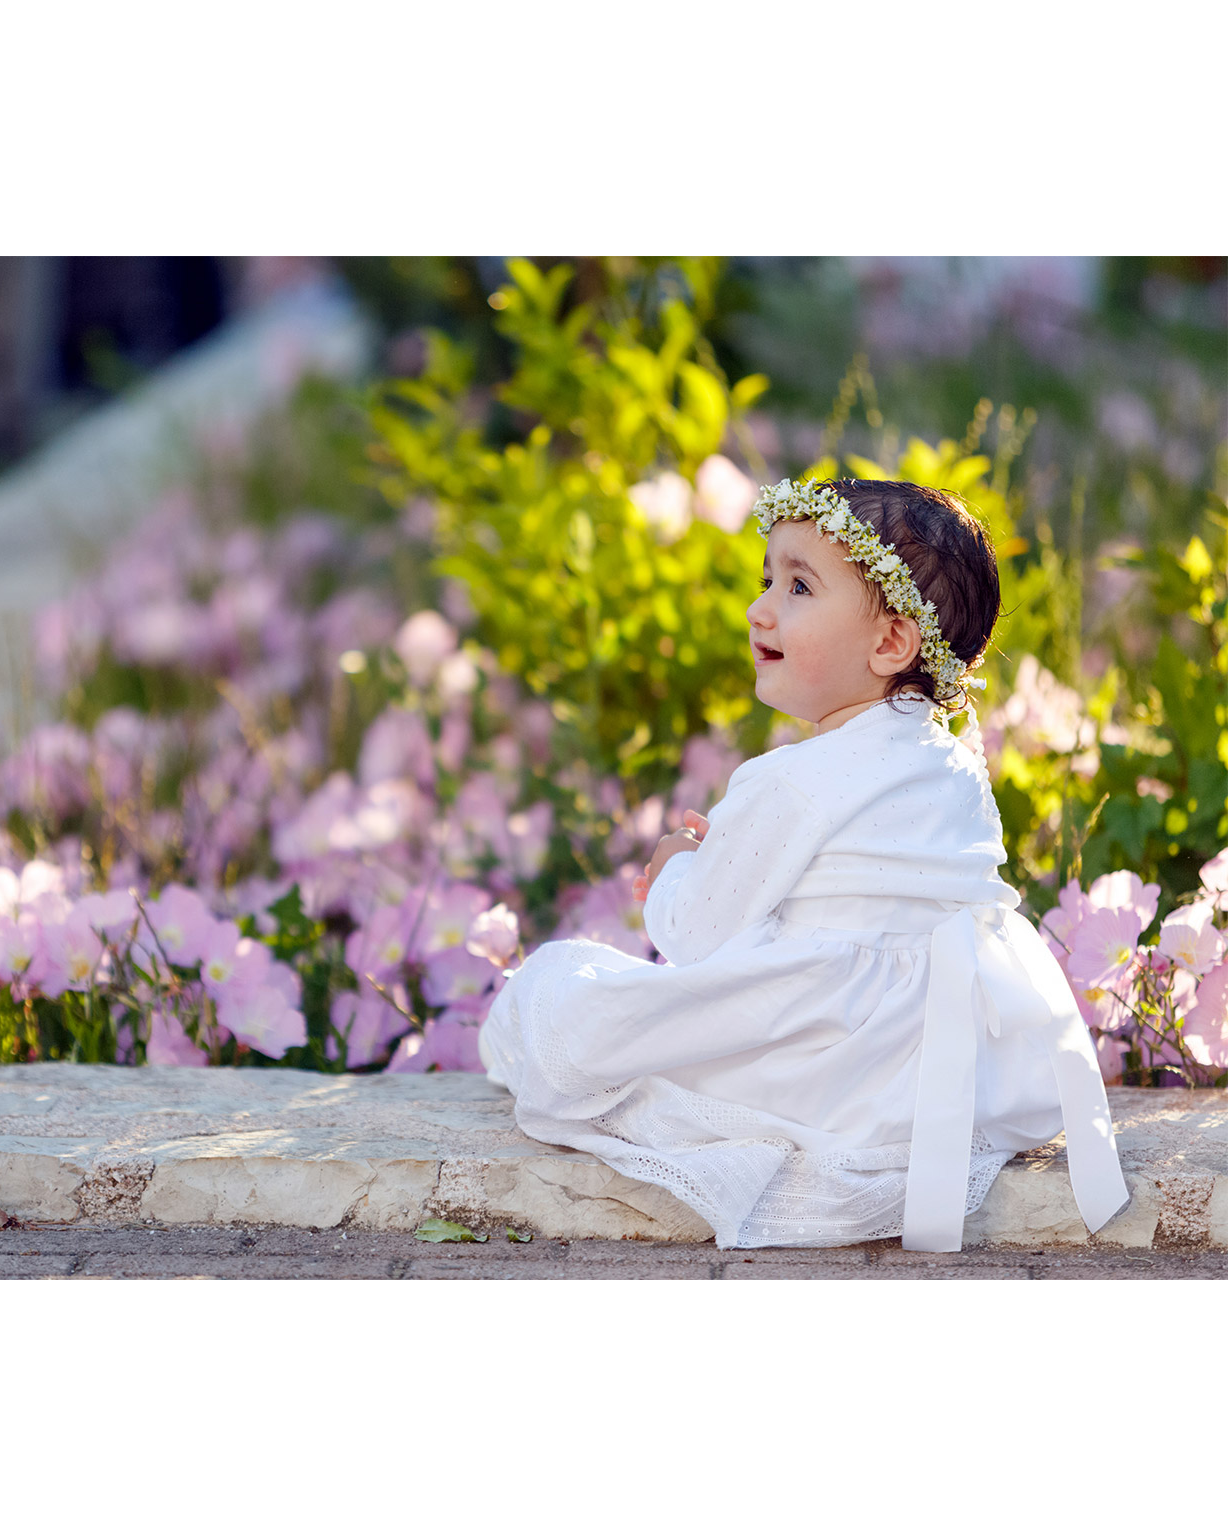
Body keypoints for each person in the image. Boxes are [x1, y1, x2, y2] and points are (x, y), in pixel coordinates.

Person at [478, 477, 1129, 1252]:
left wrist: (677, 867)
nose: (760, 609)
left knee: (563, 997)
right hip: (941, 1062)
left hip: (825, 1053)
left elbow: (698, 935)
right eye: (767, 582)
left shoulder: (790, 780)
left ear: (890, 642)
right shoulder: (956, 765)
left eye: (797, 586)